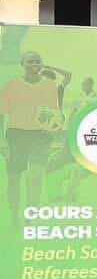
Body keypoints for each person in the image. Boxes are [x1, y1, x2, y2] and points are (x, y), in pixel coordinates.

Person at [2, 50, 68, 211]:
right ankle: (14, 212)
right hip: (16, 134)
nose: (34, 64)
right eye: (30, 61)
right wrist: (2, 142)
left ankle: (31, 214)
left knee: (36, 176)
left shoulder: (50, 85)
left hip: (40, 136)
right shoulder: (11, 85)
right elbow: (1, 114)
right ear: (22, 64)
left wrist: (53, 129)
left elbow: (54, 112)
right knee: (14, 178)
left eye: (37, 61)